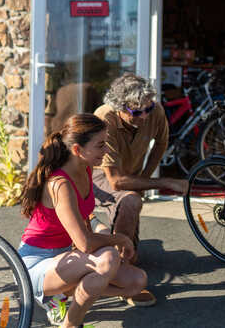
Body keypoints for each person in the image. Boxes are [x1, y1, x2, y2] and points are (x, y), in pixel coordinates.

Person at [18, 114, 147, 327]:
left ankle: (63, 294)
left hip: (64, 257)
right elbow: (86, 243)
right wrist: (122, 239)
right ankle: (70, 322)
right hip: (35, 265)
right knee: (107, 259)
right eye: (100, 145)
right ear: (78, 150)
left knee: (136, 282)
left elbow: (85, 226)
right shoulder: (60, 184)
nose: (106, 150)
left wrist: (106, 239)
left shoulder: (85, 168)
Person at [92, 73, 189, 306]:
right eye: (136, 113)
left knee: (131, 210)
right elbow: (114, 181)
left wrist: (144, 177)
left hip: (130, 175)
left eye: (148, 109)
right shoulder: (105, 118)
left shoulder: (154, 111)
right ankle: (123, 276)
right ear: (119, 107)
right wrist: (163, 182)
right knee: (130, 200)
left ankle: (123, 259)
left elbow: (161, 143)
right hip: (96, 177)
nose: (144, 116)